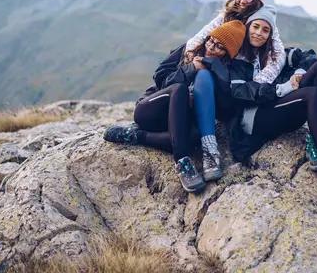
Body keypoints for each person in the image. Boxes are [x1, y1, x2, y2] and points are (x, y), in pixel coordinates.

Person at [226, 5, 317, 203]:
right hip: (256, 117)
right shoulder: (237, 60)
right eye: (255, 27)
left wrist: (299, 73)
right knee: (312, 94)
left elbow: (309, 56)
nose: (259, 33)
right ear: (247, 27)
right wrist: (283, 88)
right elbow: (241, 92)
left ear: (271, 35)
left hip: (281, 108)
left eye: (265, 30)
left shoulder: (276, 55)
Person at [103, 21, 246, 193]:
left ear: (227, 54)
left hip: (176, 122)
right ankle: (183, 161)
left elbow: (225, 108)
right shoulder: (188, 50)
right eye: (211, 40)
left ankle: (135, 136)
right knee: (179, 89)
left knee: (194, 137)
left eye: (219, 47)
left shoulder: (223, 71)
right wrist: (191, 68)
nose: (211, 47)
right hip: (151, 110)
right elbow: (161, 79)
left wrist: (217, 72)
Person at [186, 0, 286, 86]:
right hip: (220, 69)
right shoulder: (226, 16)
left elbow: (279, 56)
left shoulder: (264, 21)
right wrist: (195, 61)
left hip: (243, 77)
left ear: (258, 0)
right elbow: (199, 38)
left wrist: (257, 84)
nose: (243, 1)